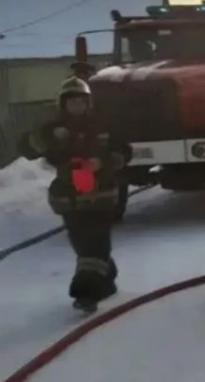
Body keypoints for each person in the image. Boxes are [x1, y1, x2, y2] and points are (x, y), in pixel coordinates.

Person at [20, 76, 130, 309]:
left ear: (88, 103)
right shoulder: (53, 129)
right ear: (63, 104)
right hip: (70, 198)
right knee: (83, 246)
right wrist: (49, 139)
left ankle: (86, 294)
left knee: (95, 245)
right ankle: (106, 278)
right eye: (72, 102)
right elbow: (27, 147)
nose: (77, 106)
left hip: (101, 196)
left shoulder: (104, 125)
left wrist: (102, 162)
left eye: (81, 101)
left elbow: (124, 152)